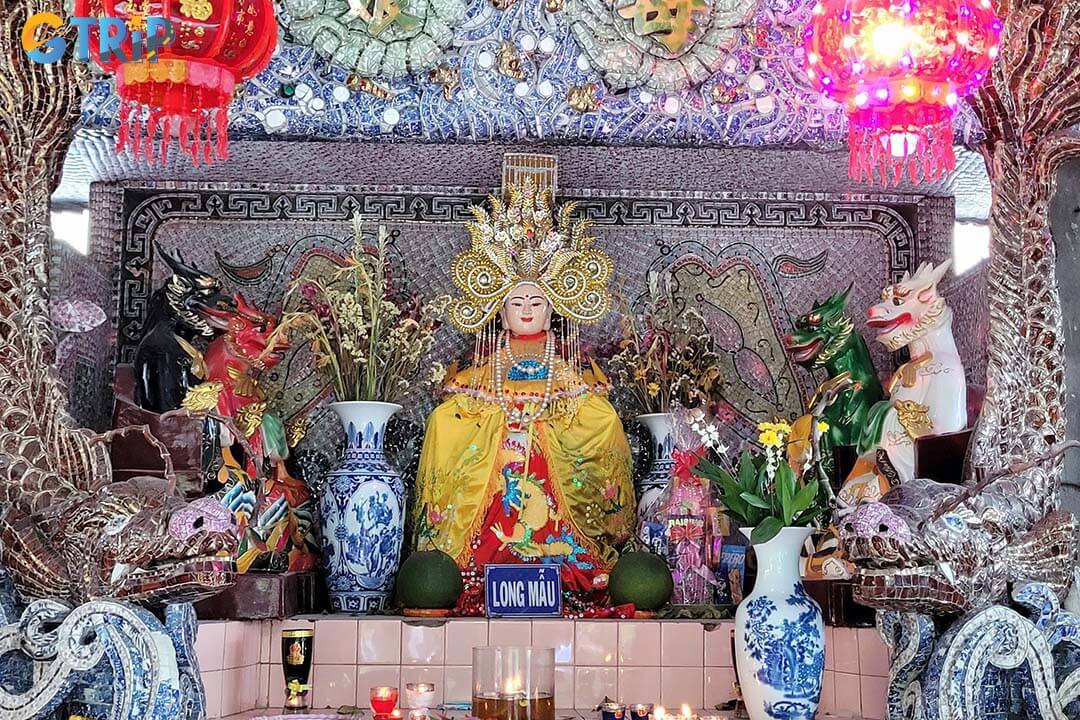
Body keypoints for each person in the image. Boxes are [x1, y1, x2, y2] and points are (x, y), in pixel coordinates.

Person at [414, 179, 635, 612]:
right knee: (445, 421)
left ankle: (568, 551)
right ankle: (471, 559)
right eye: (517, 303)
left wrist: (545, 422)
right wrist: (503, 420)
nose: (528, 310)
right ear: (500, 310)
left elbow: (595, 415)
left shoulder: (568, 366)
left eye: (537, 301)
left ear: (554, 308)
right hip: (500, 451)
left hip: (549, 456)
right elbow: (461, 410)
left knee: (603, 419)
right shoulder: (485, 367)